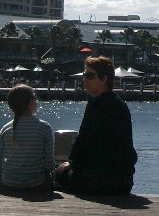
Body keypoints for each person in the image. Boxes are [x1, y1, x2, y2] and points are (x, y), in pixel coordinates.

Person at [55, 56, 137, 195]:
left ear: (104, 79)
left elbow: (83, 142)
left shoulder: (96, 104)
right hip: (123, 182)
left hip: (99, 181)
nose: (85, 79)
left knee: (56, 173)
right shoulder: (119, 103)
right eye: (84, 75)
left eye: (90, 75)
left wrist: (72, 164)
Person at [0, 84, 55, 191]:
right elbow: (49, 166)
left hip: (9, 183)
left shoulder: (5, 129)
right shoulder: (44, 127)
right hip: (36, 183)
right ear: (30, 103)